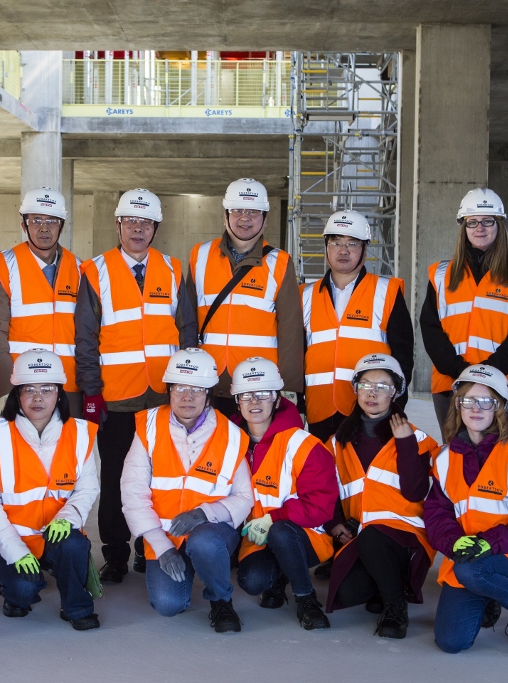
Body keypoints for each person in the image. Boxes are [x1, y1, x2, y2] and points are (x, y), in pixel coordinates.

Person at [75, 189, 197, 583]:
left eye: (146, 223)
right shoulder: (95, 271)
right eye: (131, 222)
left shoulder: (174, 270)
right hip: (117, 399)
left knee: (159, 477)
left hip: (163, 398)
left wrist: (188, 385)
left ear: (156, 228)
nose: (138, 230)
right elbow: (86, 337)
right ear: (118, 225)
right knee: (114, 479)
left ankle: (152, 548)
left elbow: (187, 331)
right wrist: (91, 392)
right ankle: (115, 553)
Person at [425, 365, 508, 656]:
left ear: (501, 407)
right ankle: (489, 592)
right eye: (468, 400)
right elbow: (437, 515)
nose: (476, 408)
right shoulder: (445, 458)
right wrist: (452, 542)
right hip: (469, 553)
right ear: (457, 405)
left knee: (472, 571)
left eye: (486, 401)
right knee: (450, 642)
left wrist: (487, 543)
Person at [120, 348, 253, 632]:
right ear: (168, 390)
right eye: (180, 387)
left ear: (209, 393)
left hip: (211, 534)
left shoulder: (231, 435)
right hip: (165, 536)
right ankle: (187, 564)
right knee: (169, 605)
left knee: (204, 544)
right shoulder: (149, 427)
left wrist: (204, 513)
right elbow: (133, 494)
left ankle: (221, 601)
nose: (187, 396)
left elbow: (244, 498)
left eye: (197, 389)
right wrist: (161, 546)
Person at [0, 349, 100, 630]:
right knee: (22, 594)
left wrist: (69, 517)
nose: (38, 397)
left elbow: (87, 488)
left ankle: (77, 607)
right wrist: (14, 550)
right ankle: (17, 585)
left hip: (58, 532)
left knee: (73, 544)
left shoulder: (80, 432)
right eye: (29, 389)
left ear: (59, 393)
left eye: (47, 389)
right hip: (12, 536)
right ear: (17, 394)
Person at [323, 354, 438, 639]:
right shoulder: (339, 441)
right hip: (360, 538)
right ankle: (388, 584)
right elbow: (325, 490)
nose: (372, 393)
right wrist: (334, 525)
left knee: (375, 537)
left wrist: (405, 444)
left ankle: (396, 608)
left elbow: (415, 491)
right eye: (365, 385)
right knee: (349, 592)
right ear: (356, 389)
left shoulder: (419, 439)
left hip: (405, 537)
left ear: (396, 392)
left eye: (382, 386)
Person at [419, 188, 508, 433]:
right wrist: (458, 370)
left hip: (500, 383)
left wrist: (487, 373)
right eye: (471, 222)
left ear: (500, 225)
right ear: (463, 227)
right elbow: (430, 328)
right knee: (455, 457)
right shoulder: (441, 275)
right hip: (450, 382)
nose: (479, 228)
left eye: (487, 221)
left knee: (495, 458)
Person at [232, 358, 338, 630]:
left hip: (304, 537)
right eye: (246, 394)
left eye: (264, 393)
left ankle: (306, 599)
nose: (255, 401)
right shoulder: (231, 444)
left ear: (277, 399)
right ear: (237, 401)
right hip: (256, 539)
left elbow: (321, 505)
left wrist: (275, 517)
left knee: (280, 532)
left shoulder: (303, 445)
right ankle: (280, 576)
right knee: (252, 581)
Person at [188, 178, 304, 417]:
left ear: (265, 218)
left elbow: (290, 330)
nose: (245, 218)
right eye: (238, 210)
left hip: (257, 386)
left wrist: (291, 389)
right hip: (207, 381)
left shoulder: (280, 263)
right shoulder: (200, 255)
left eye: (253, 211)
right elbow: (187, 320)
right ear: (225, 215)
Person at [301, 211, 413, 441]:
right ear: (326, 247)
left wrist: (396, 401)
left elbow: (404, 354)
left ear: (364, 249)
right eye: (336, 242)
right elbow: (299, 351)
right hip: (319, 409)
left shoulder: (387, 291)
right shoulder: (305, 295)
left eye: (352, 243)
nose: (343, 250)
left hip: (371, 409)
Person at [0, 188, 82, 418]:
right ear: (24, 224)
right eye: (36, 220)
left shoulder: (79, 269)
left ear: (62, 225)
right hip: (21, 386)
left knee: (67, 452)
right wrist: (5, 390)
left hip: (69, 387)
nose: (44, 228)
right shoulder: (4, 266)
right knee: (17, 452)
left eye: (52, 221)